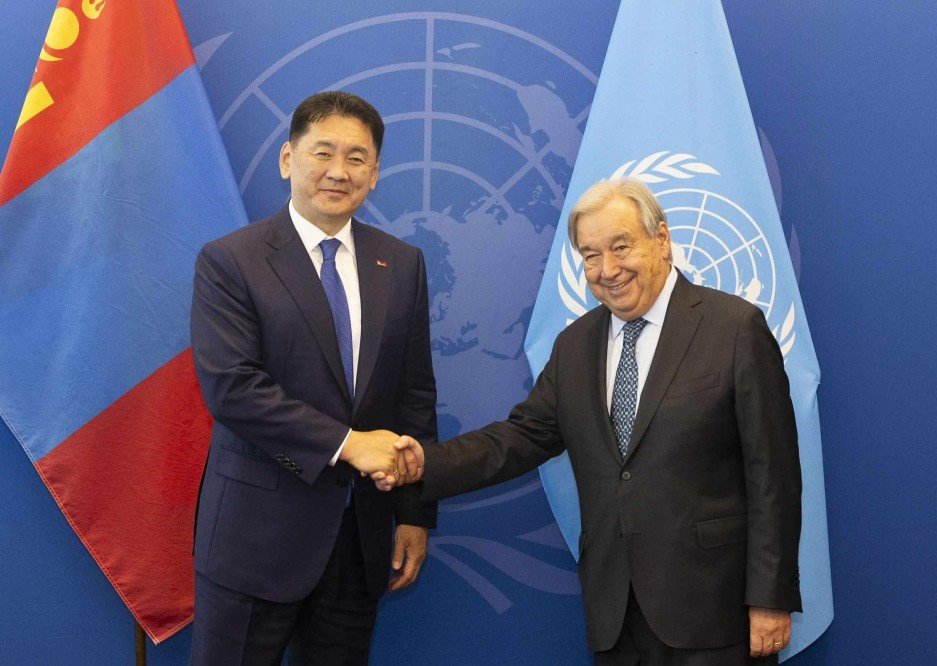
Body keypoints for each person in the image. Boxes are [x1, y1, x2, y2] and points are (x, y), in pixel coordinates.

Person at [390, 179, 801, 664]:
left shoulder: (734, 328)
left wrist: (770, 597)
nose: (607, 270)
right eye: (590, 255)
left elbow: (773, 474)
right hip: (615, 616)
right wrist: (422, 464)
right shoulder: (575, 347)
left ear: (661, 239)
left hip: (715, 611)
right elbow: (519, 438)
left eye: (620, 247)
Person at [189, 91, 437, 665]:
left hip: (358, 541)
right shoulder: (230, 260)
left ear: (374, 174)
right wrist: (349, 445)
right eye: (323, 152)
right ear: (288, 159)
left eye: (357, 158)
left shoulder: (402, 264)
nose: (338, 171)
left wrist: (413, 513)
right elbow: (232, 387)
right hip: (255, 539)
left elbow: (414, 395)